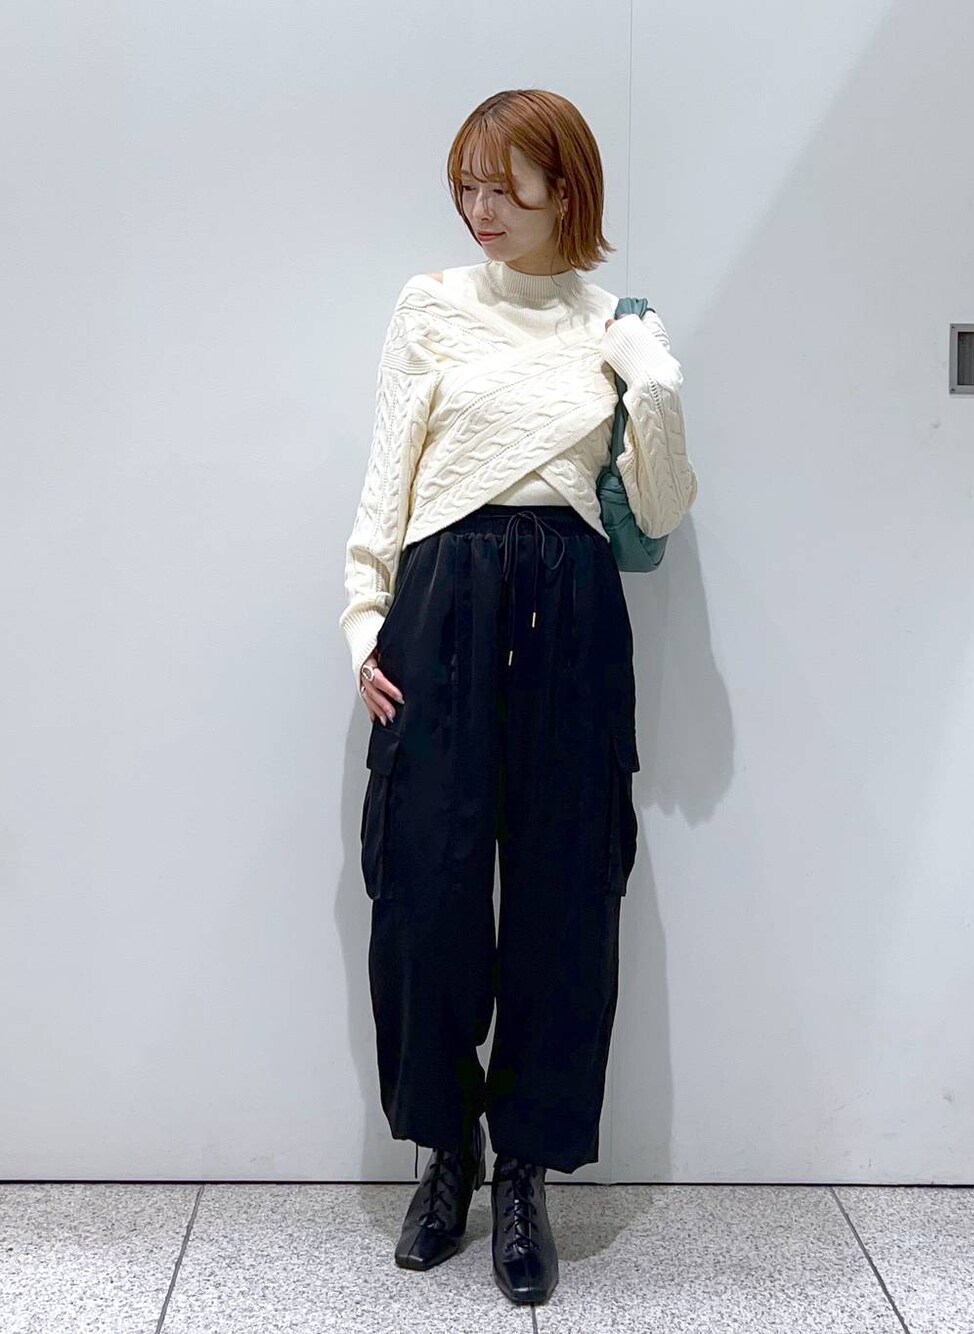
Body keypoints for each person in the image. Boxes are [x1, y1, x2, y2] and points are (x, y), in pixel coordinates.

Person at [339, 88, 697, 1306]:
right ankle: (448, 1152)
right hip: (441, 601)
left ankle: (526, 1168)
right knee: (425, 890)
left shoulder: (616, 325)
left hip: (573, 610)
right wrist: (363, 614)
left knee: (564, 892)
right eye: (467, 185)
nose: (480, 208)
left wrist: (651, 387)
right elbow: (389, 469)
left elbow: (659, 510)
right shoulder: (431, 306)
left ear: (565, 188)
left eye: (505, 184)